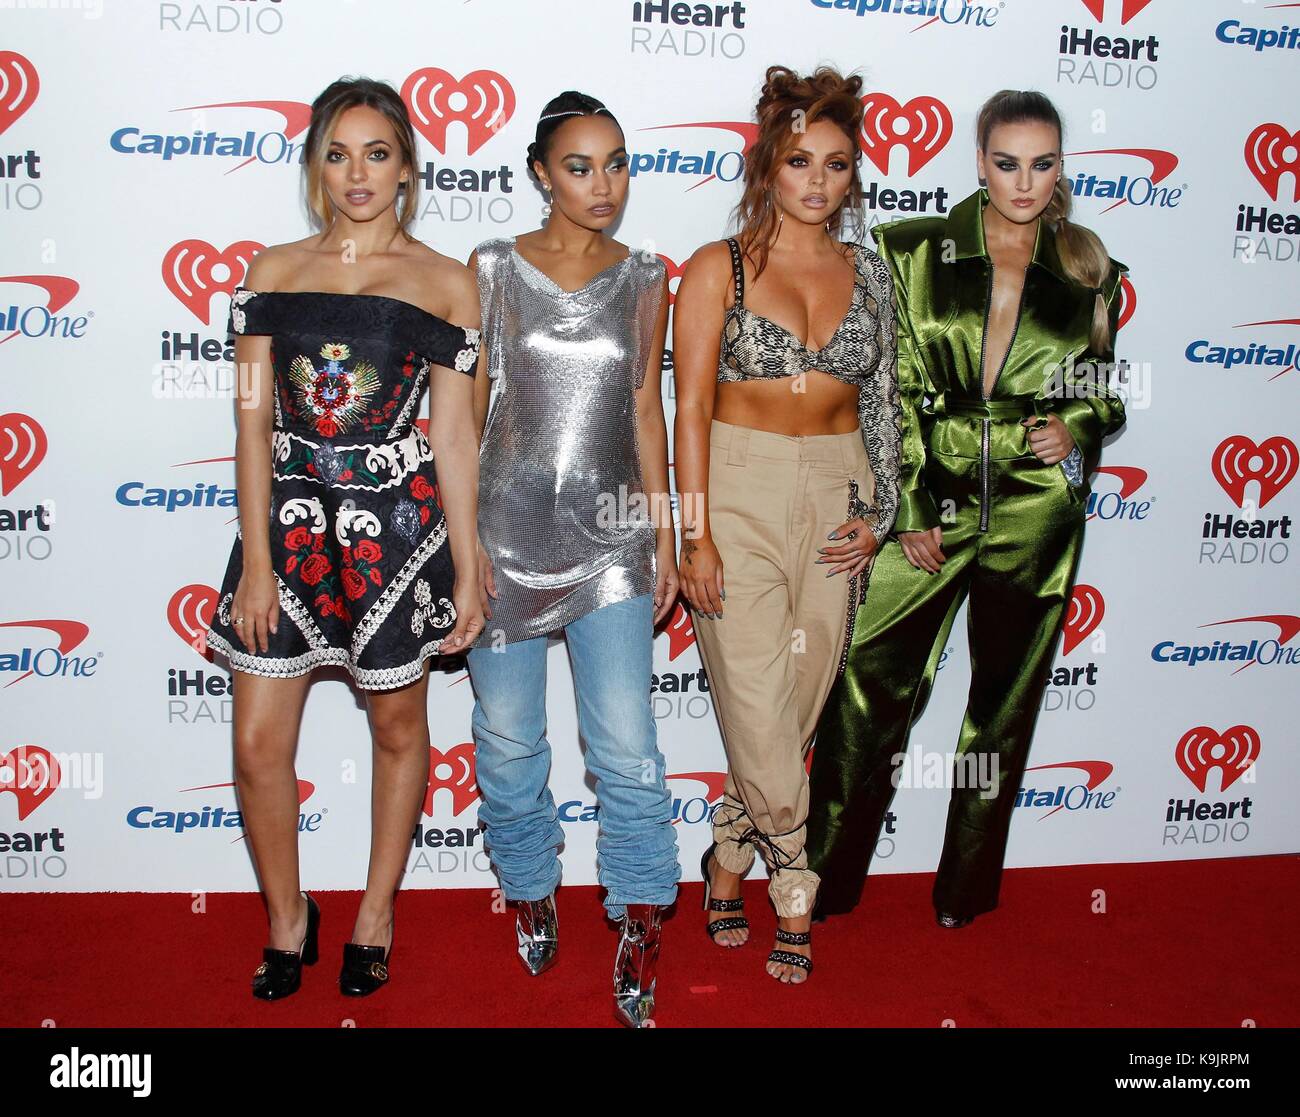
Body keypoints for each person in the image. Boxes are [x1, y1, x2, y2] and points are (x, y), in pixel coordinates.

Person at [806, 89, 1128, 927]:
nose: (1026, 182)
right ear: (980, 161)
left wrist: (1078, 422)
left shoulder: (1093, 268)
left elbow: (1103, 389)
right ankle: (823, 881)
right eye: (1008, 162)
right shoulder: (910, 250)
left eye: (1044, 163)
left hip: (1035, 513)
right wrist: (910, 499)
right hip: (929, 499)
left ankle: (964, 890)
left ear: (1061, 167)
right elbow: (886, 383)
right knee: (867, 692)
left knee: (1003, 707)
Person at [205, 77, 484, 1000]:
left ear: (407, 168)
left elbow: (452, 437)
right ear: (315, 167)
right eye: (337, 153)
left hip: (397, 538)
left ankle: (375, 910)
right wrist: (254, 560)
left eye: (377, 153)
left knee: (399, 726)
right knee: (255, 746)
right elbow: (250, 424)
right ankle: (289, 919)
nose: (356, 173)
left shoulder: (449, 281)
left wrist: (471, 568)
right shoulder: (269, 272)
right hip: (282, 533)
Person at [672, 65, 901, 984]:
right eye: (800, 159)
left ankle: (728, 851)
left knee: (794, 706)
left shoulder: (871, 270)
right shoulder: (713, 268)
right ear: (767, 163)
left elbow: (882, 398)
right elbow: (686, 406)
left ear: (853, 175)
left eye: (837, 164)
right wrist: (692, 532)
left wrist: (879, 510)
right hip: (736, 489)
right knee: (760, 705)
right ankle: (792, 879)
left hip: (836, 495)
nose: (818, 180)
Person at [466, 91, 680, 1028]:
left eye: (618, 163)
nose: (604, 184)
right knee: (510, 740)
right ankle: (530, 885)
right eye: (581, 166)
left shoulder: (647, 275)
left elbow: (644, 410)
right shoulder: (490, 270)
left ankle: (638, 915)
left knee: (627, 746)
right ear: (542, 173)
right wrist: (459, 538)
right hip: (503, 537)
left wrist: (668, 527)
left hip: (613, 542)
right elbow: (465, 417)